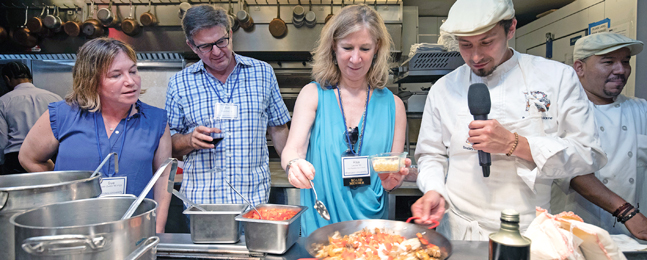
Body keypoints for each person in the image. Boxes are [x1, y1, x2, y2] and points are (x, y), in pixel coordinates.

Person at [411, 0, 607, 240]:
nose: (475, 56)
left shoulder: (556, 78)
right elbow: (431, 154)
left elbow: (588, 154)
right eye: (465, 45)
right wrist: (433, 189)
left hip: (531, 230)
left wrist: (515, 144)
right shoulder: (444, 88)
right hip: (460, 229)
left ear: (511, 29)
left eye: (487, 42)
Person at [19, 38, 172, 233]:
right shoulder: (63, 114)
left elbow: (163, 177)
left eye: (133, 71)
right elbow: (28, 158)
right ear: (91, 81)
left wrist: (157, 228)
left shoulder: (157, 120)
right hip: (72, 228)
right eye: (116, 75)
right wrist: (62, 188)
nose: (130, 81)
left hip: (133, 229)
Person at [281, 4, 410, 236]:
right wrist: (293, 165)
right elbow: (293, 150)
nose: (355, 58)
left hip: (372, 228)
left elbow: (391, 175)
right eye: (347, 47)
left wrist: (394, 180)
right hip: (322, 222)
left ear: (377, 48)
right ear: (333, 46)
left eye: (365, 48)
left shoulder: (395, 106)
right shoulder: (313, 95)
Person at [166, 5, 290, 207]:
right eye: (205, 46)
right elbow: (169, 146)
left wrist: (291, 165)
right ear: (191, 46)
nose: (216, 52)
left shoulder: (262, 73)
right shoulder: (179, 83)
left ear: (230, 34)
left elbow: (278, 128)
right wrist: (189, 140)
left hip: (254, 202)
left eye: (221, 41)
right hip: (201, 203)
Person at [551, 32, 647, 240]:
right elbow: (572, 172)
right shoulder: (558, 115)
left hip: (632, 240)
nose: (620, 70)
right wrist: (627, 212)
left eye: (625, 61)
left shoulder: (641, 111)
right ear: (579, 68)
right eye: (608, 62)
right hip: (575, 237)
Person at [0, 61, 61, 174]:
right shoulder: (55, 98)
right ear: (30, 78)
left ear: (7, 79)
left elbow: (2, 141)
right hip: (50, 156)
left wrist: (2, 163)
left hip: (16, 159)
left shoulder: (4, 101)